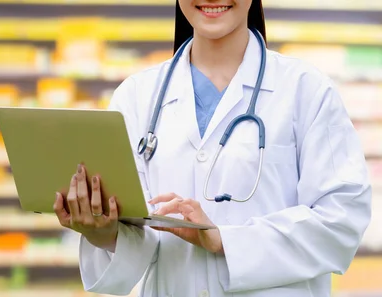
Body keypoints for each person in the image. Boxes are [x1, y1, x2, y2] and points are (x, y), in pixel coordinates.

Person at [52, 0, 372, 296]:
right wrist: (103, 233)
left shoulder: (307, 91)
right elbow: (139, 237)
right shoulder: (136, 97)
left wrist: (226, 241)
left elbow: (340, 222)